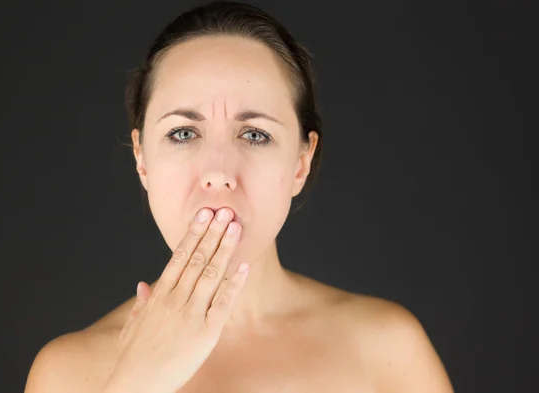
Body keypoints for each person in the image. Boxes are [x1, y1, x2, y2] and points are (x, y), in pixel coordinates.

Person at [24, 1, 454, 392]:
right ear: (142, 160)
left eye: (255, 134)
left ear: (301, 163)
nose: (218, 172)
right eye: (183, 133)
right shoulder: (67, 373)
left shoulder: (387, 350)